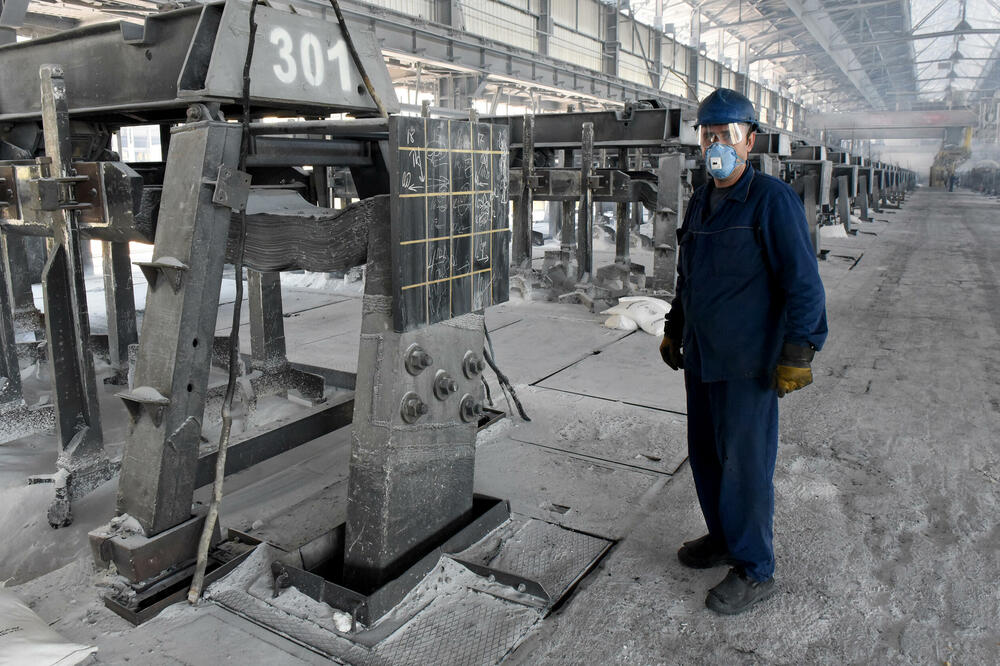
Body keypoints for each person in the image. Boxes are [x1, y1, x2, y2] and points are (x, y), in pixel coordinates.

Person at [659, 89, 828, 615]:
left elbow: (803, 283)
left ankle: (756, 568)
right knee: (708, 458)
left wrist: (799, 349)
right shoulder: (701, 199)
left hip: (749, 363)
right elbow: (690, 277)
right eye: (707, 134)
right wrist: (674, 327)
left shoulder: (771, 200)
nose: (715, 144)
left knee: (745, 466)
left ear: (749, 140)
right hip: (705, 358)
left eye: (726, 134)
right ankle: (724, 538)